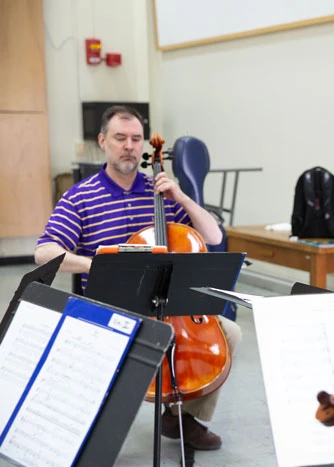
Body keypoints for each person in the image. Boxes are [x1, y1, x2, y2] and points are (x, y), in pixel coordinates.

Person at [35, 105, 241, 451]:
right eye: (120, 138)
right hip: (111, 305)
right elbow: (44, 252)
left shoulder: (159, 193)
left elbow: (214, 237)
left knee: (229, 332)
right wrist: (94, 265)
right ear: (103, 141)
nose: (129, 146)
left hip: (166, 305)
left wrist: (181, 195)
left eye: (136, 139)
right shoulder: (81, 196)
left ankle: (184, 417)